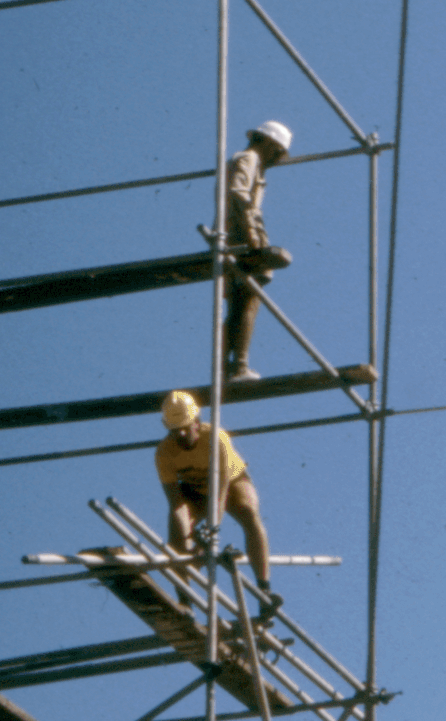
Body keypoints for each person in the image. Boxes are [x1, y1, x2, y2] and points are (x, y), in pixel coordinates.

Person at [154, 389, 279, 616]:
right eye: (174, 431)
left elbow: (220, 493)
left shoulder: (216, 439)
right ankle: (185, 600)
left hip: (230, 483)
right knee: (176, 536)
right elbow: (177, 504)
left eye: (184, 428)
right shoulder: (164, 453)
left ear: (196, 422)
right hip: (195, 491)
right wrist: (189, 539)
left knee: (249, 512)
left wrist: (211, 531)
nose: (180, 435)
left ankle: (264, 590)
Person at [224, 120, 291, 383]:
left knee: (240, 305)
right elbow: (238, 193)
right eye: (276, 151)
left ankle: (230, 366)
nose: (276, 158)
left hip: (239, 236)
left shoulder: (254, 164)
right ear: (268, 143)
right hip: (240, 238)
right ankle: (238, 366)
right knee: (249, 301)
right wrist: (252, 233)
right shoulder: (249, 158)